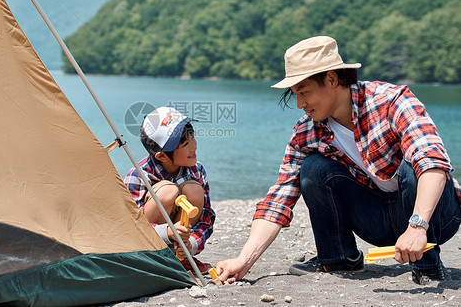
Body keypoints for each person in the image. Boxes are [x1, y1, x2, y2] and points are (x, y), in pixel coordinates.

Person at [216, 36, 461, 285]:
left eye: (304, 92)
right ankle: (339, 258)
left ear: (332, 79)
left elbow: (433, 162)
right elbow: (279, 199)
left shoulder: (391, 101)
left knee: (413, 165)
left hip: (436, 217)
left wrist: (418, 226)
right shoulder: (307, 131)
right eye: (295, 95)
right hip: (379, 220)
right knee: (313, 169)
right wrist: (244, 260)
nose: (300, 104)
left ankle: (427, 267)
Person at [124, 106, 215, 273]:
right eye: (185, 144)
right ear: (162, 156)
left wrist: (191, 244)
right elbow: (129, 225)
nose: (194, 146)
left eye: (193, 137)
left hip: (182, 244)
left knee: (193, 189)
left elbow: (206, 218)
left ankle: (179, 257)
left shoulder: (197, 170)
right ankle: (156, 257)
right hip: (147, 243)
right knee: (168, 191)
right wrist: (166, 232)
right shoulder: (138, 175)